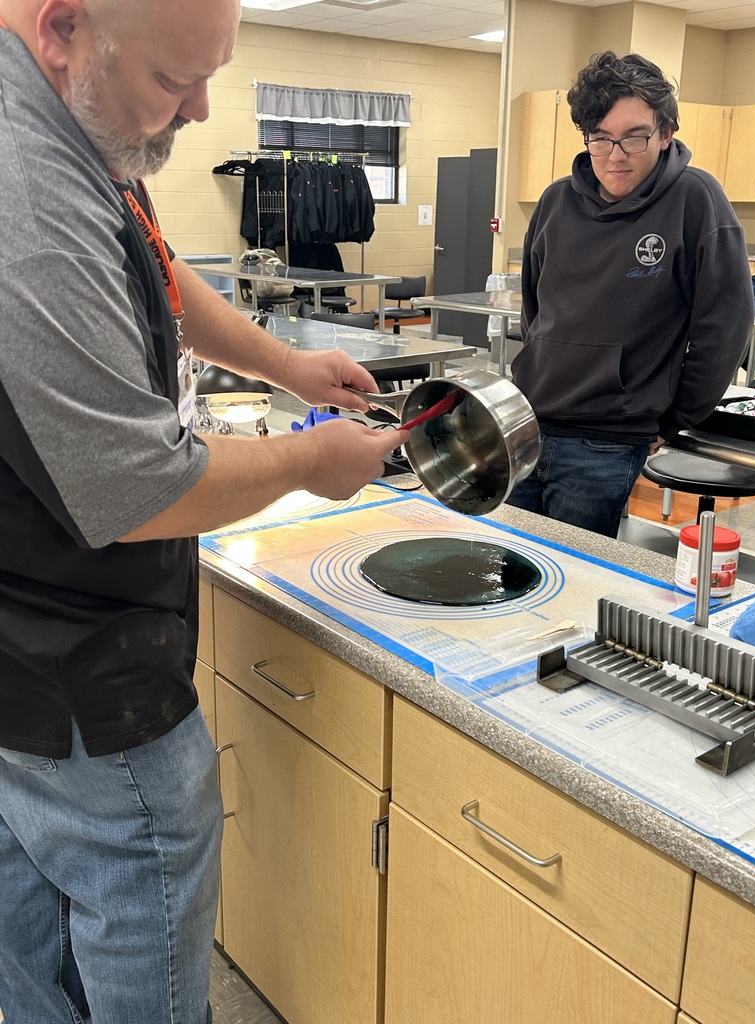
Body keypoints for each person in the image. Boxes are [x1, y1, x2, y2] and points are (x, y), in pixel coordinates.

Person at [0, 2, 408, 1022]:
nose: (203, 107)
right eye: (176, 81)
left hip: (22, 678)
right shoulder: (29, 190)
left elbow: (151, 263)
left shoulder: (71, 125)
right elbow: (144, 488)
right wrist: (312, 456)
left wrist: (284, 360)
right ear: (63, 31)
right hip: (91, 691)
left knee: (29, 967)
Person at [507, 51, 754, 538]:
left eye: (634, 136)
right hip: (527, 425)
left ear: (665, 133)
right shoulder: (556, 201)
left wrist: (674, 417)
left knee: (572, 577)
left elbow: (725, 326)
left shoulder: (696, 200)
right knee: (508, 563)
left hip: (608, 442)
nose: (616, 154)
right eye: (601, 138)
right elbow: (535, 308)